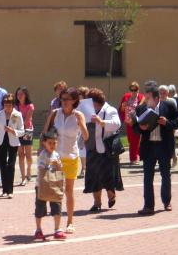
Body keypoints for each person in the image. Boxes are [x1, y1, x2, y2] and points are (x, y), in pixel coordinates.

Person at [42, 87, 88, 234]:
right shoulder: (55, 113)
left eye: (67, 99)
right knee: (56, 191)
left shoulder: (78, 115)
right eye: (62, 99)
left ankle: (70, 222)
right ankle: (57, 224)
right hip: (56, 158)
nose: (64, 102)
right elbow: (44, 133)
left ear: (74, 100)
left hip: (71, 158)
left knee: (68, 191)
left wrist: (80, 122)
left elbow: (86, 136)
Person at [132, 86, 178, 215]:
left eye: (148, 98)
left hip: (164, 146)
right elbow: (135, 128)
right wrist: (141, 128)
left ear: (156, 98)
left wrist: (167, 123)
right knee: (147, 177)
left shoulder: (168, 106)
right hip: (148, 147)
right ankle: (148, 206)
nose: (146, 100)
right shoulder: (141, 109)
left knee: (165, 175)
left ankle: (167, 201)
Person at [83, 88, 123, 212]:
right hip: (92, 147)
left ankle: (111, 195)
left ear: (95, 101)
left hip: (107, 149)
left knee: (107, 176)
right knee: (94, 176)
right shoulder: (88, 112)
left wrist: (102, 122)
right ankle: (97, 203)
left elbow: (117, 124)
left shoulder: (110, 110)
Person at [34, 128, 65, 241]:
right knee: (40, 208)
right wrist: (49, 164)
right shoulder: (43, 154)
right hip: (42, 185)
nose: (52, 145)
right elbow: (41, 168)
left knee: (57, 205)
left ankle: (57, 229)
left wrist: (58, 165)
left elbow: (60, 169)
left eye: (54, 143)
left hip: (54, 184)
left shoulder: (56, 155)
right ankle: (38, 229)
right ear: (44, 143)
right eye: (50, 143)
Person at [0, 94, 24, 198]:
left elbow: (22, 131)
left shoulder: (17, 114)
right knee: (2, 165)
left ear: (13, 105)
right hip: (1, 142)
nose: (7, 107)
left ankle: (10, 190)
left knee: (11, 165)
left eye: (9, 105)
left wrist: (12, 131)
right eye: (5, 105)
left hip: (13, 142)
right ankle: (4, 190)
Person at [119, 82, 144, 165]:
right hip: (128, 122)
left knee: (136, 140)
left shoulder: (141, 97)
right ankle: (136, 156)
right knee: (131, 140)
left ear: (138, 89)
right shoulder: (126, 96)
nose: (133, 91)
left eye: (135, 89)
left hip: (138, 122)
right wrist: (123, 106)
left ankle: (134, 158)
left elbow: (143, 109)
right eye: (131, 89)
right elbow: (121, 110)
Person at [14, 87, 35, 186]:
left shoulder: (30, 106)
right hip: (18, 131)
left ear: (25, 95)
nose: (19, 96)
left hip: (27, 131)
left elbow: (27, 121)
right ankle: (23, 177)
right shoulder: (15, 106)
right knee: (21, 154)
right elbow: (14, 120)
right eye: (18, 94)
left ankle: (29, 169)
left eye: (21, 94)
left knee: (28, 155)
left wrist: (18, 124)